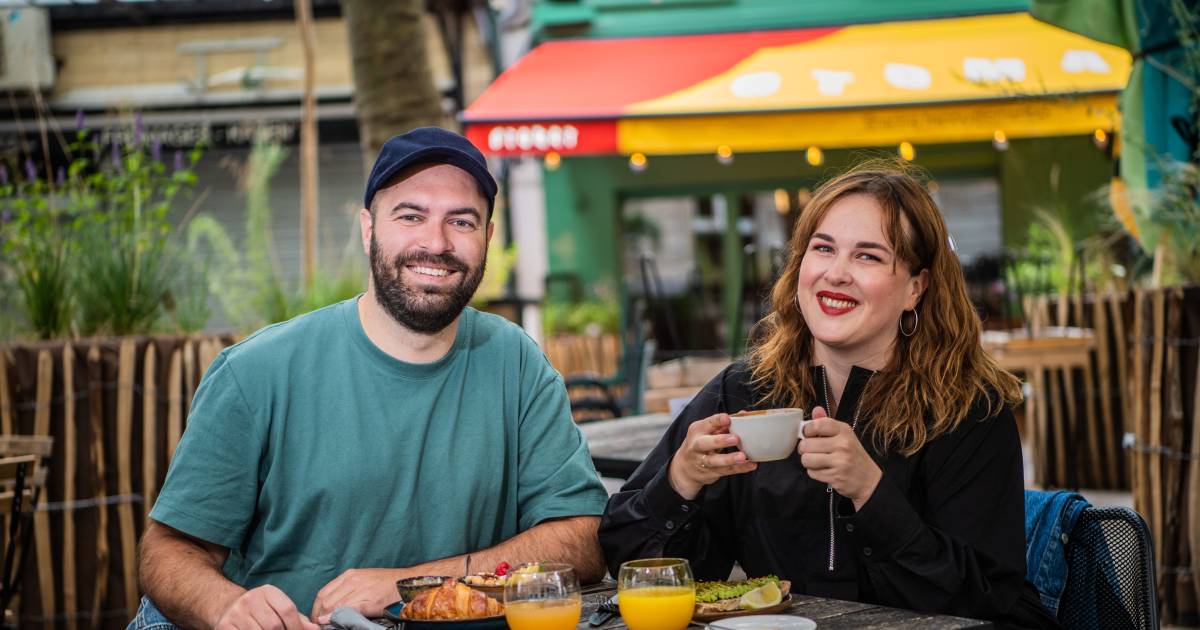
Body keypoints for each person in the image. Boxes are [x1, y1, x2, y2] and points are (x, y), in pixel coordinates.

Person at [134, 127, 608, 630]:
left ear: (487, 238)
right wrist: (224, 606)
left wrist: (416, 584)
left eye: (462, 221)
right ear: (368, 230)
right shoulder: (257, 373)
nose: (436, 242)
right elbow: (168, 550)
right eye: (410, 216)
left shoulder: (518, 365)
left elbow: (581, 537)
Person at [598, 162, 1058, 629]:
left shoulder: (968, 410)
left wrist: (870, 492)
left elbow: (986, 598)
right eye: (823, 249)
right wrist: (680, 481)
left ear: (914, 289)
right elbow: (630, 565)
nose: (836, 273)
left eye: (868, 256)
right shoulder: (741, 391)